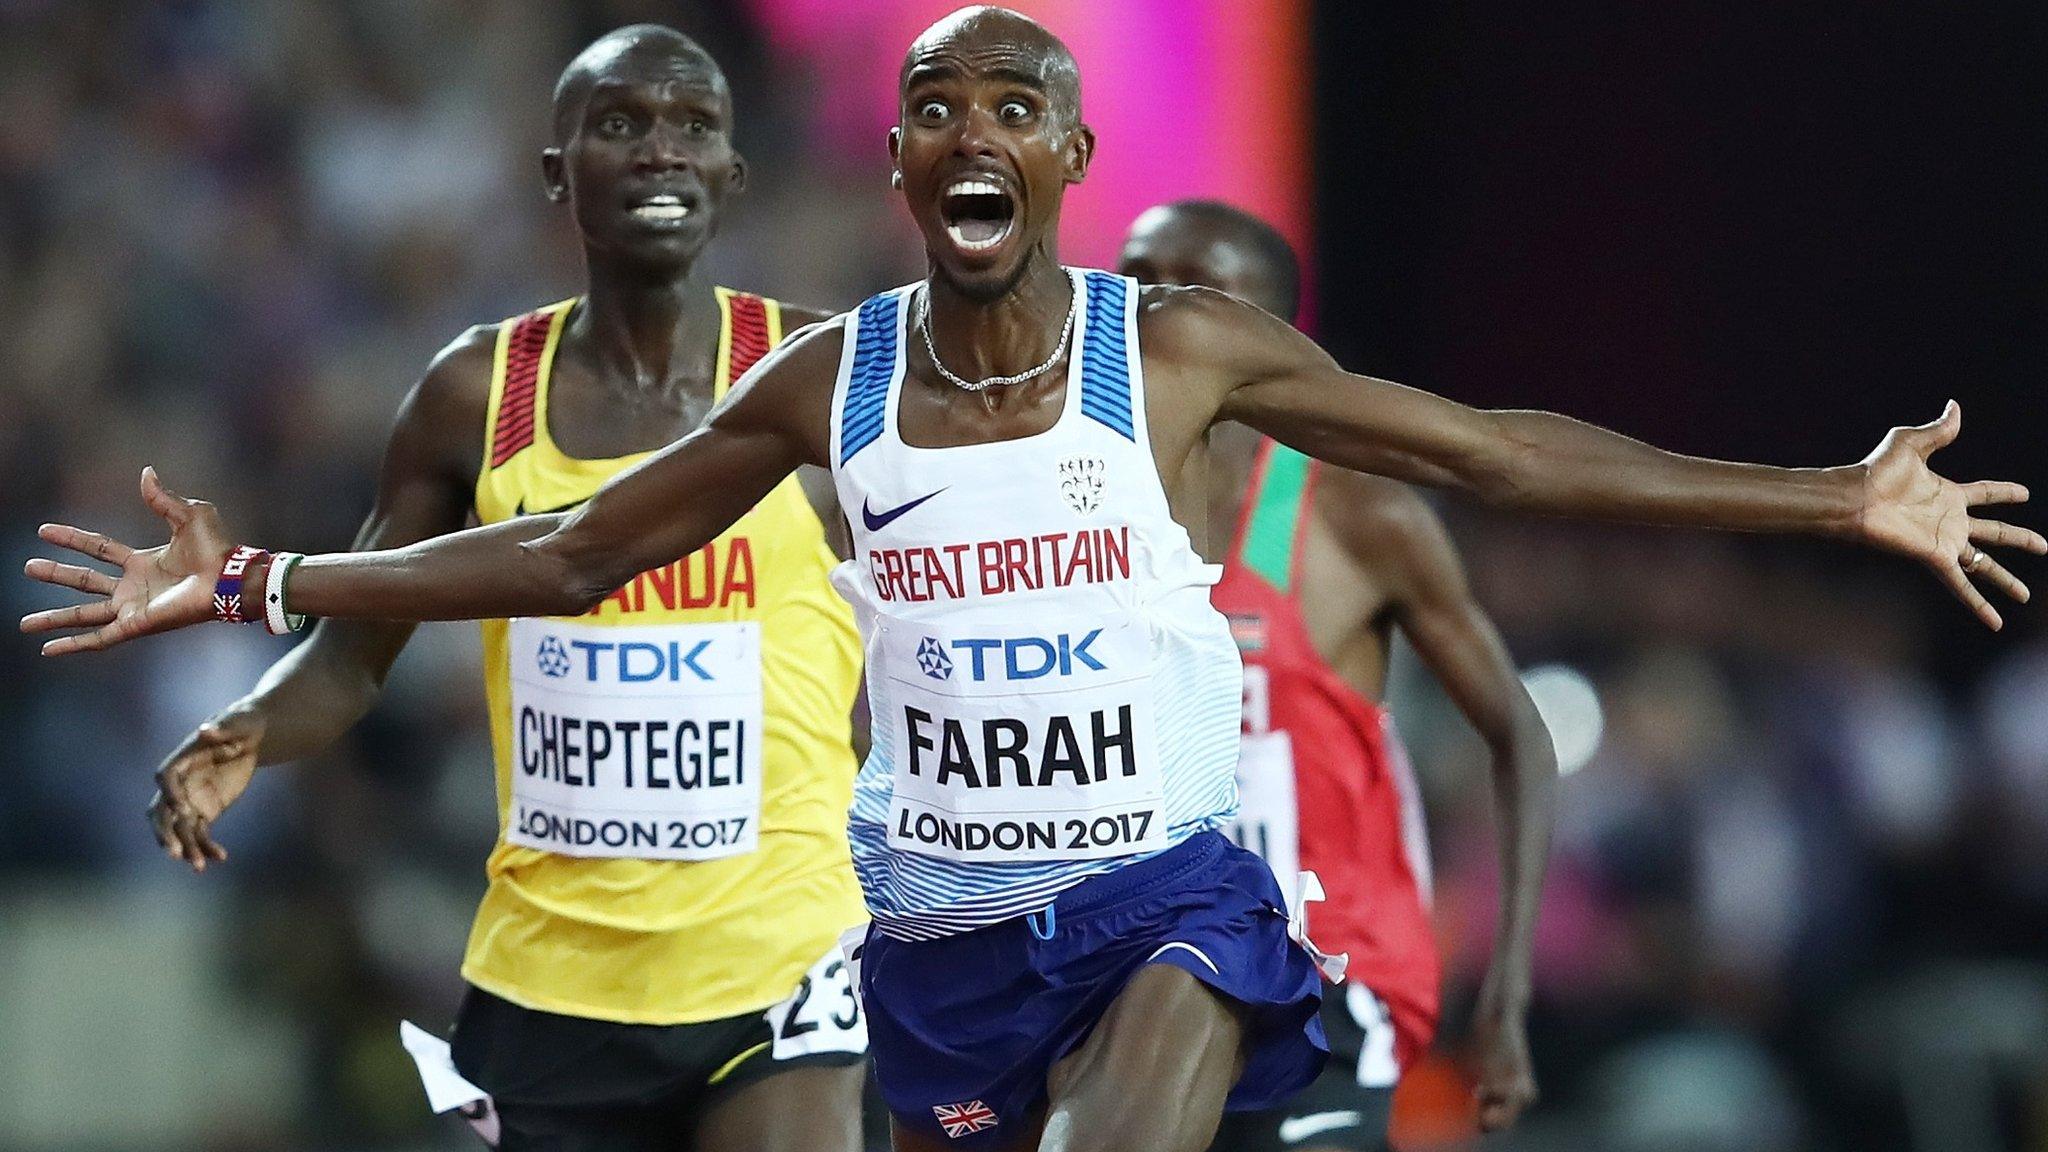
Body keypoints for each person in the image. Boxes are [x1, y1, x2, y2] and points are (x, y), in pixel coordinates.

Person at [23, 7, 2039, 1152]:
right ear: (900, 167)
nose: (972, 130)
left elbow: (1495, 447)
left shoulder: (1165, 354)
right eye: (937, 107)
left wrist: (1824, 498)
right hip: (931, 928)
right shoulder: (834, 382)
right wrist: (261, 579)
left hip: (1160, 894)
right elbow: (563, 548)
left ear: (1066, 156)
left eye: (1014, 104)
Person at [120, 26, 872, 1152]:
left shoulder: (822, 379)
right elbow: (345, 660)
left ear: (734, 170)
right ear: (556, 173)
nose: (662, 152)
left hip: (783, 959)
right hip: (550, 983)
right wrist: (245, 730)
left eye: (695, 128)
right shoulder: (473, 396)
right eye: (620, 125)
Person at [1118, 200, 1554, 1152]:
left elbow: (1519, 732)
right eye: (1133, 280)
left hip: (1325, 980)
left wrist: (1506, 992)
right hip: (1130, 971)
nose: (1151, 314)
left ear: (1267, 331)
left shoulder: (1349, 515)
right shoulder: (1095, 506)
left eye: (1186, 289)